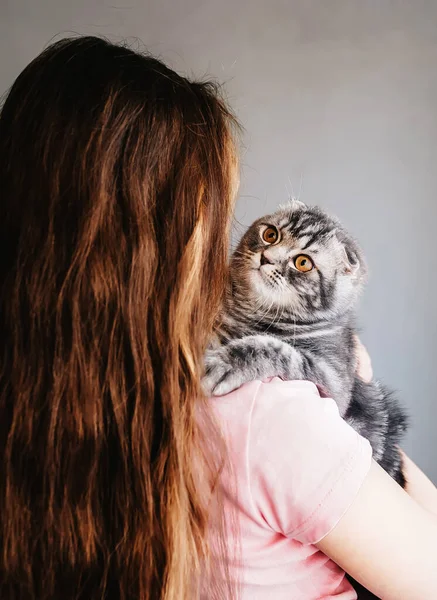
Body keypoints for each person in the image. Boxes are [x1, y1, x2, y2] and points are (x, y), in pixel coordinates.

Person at [0, 36, 436, 600]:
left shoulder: (39, 397)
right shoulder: (263, 413)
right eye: (218, 213)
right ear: (170, 241)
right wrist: (357, 397)